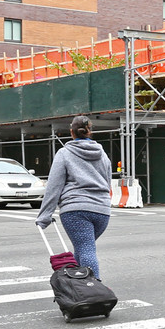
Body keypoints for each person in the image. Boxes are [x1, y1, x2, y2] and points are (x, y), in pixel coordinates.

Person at [36, 116, 112, 279]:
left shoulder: (65, 153)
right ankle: (80, 288)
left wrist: (44, 216)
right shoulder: (102, 154)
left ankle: (94, 290)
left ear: (72, 132)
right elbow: (107, 181)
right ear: (90, 132)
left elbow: (54, 185)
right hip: (102, 211)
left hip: (76, 210)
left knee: (85, 249)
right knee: (83, 248)